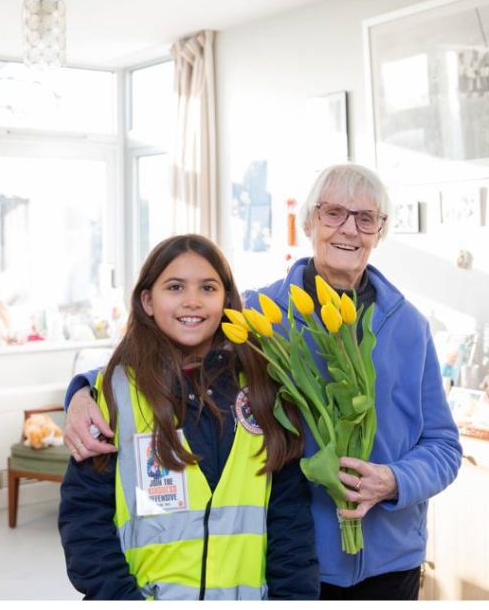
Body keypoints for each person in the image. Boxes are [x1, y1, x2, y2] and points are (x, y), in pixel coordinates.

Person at [65, 166, 462, 600]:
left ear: (379, 232)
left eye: (366, 218)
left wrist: (395, 480)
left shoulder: (408, 327)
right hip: (294, 562)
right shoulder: (258, 313)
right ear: (309, 222)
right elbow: (174, 348)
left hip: (390, 560)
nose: (349, 229)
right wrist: (83, 391)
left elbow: (443, 444)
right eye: (333, 214)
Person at [57, 234, 318, 600]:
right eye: (175, 287)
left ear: (226, 300)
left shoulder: (262, 388)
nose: (192, 301)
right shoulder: (114, 393)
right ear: (148, 300)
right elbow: (85, 520)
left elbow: (290, 519)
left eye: (208, 288)